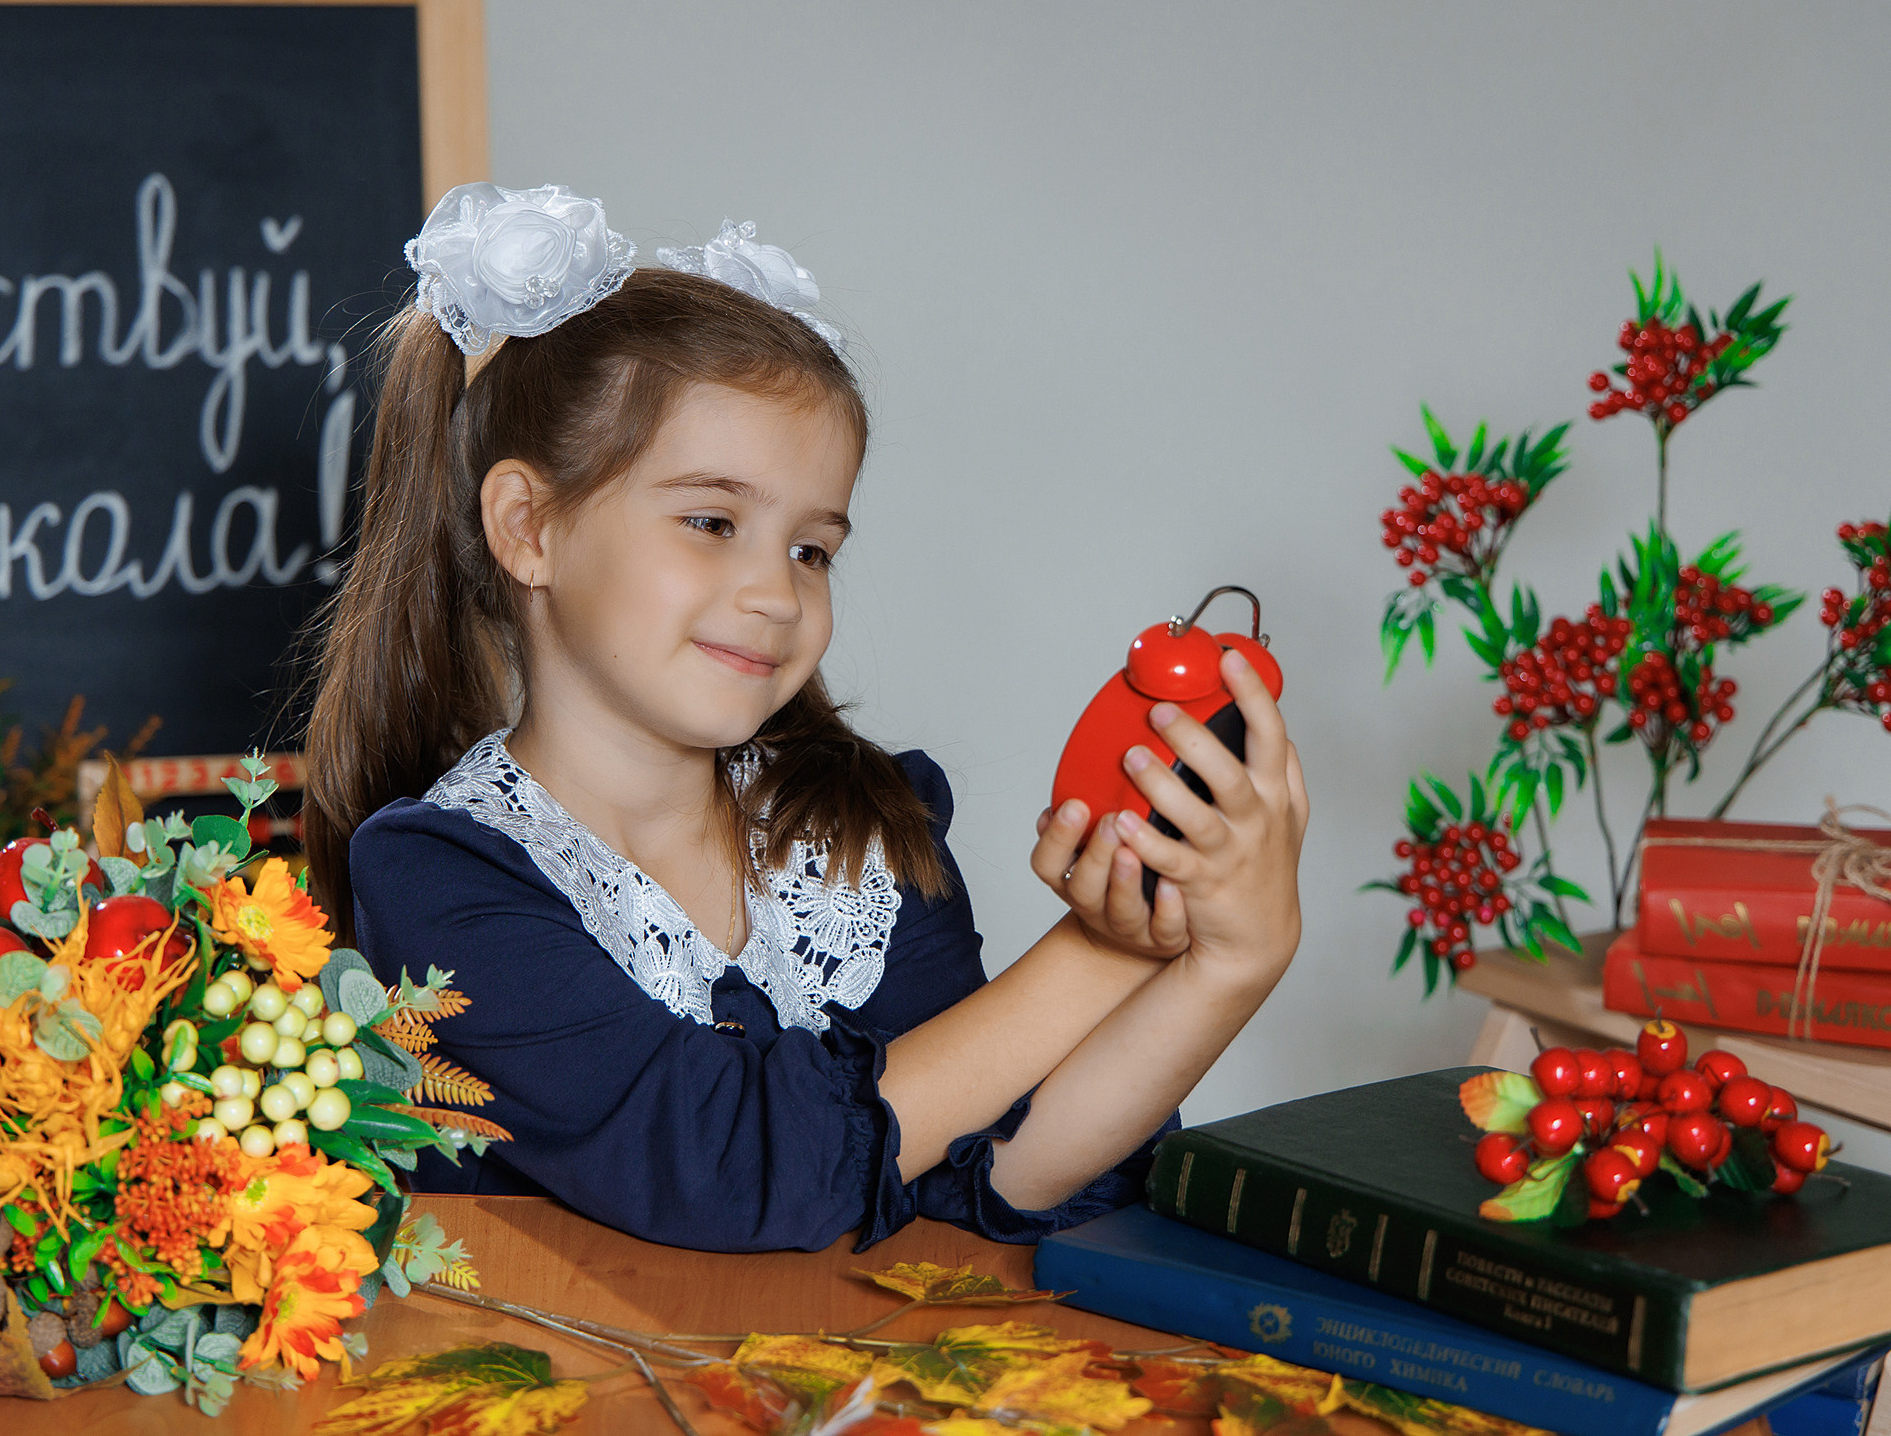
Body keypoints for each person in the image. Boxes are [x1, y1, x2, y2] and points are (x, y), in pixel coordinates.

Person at [302, 185, 1308, 1254]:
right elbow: (725, 1164)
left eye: (810, 548)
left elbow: (994, 1162)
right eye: (711, 520)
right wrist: (1094, 956)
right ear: (529, 527)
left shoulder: (854, 824)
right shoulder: (441, 878)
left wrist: (1221, 962)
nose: (777, 592)